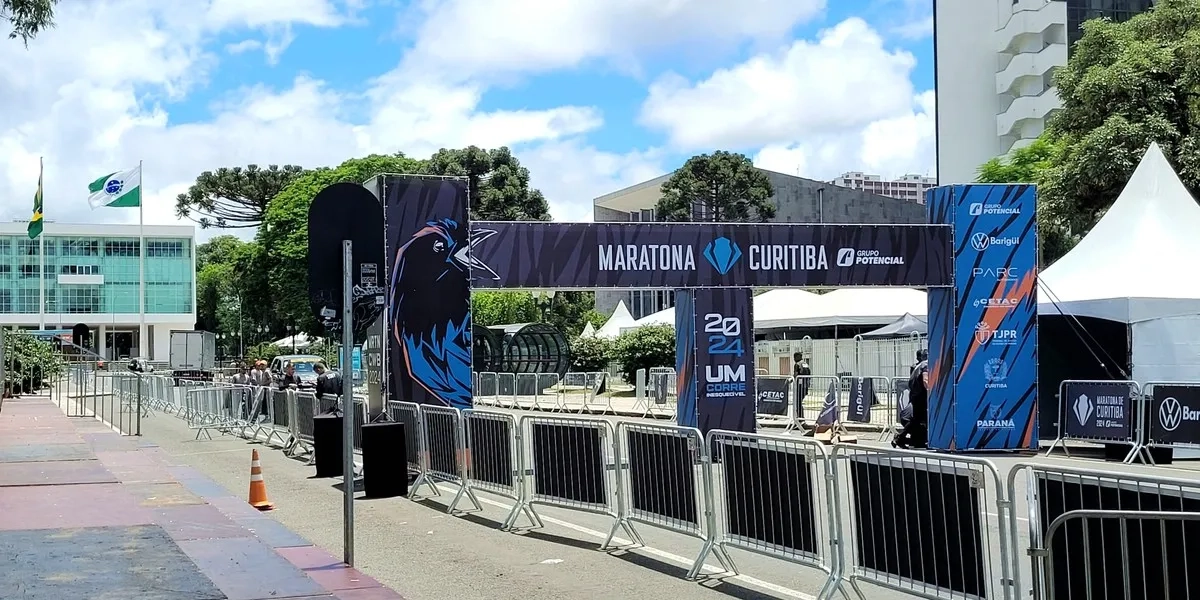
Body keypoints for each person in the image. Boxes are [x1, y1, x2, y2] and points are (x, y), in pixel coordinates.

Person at [894, 349, 929, 449]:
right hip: (921, 397)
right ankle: (900, 438)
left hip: (916, 396)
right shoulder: (925, 365)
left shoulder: (917, 366)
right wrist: (931, 392)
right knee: (917, 420)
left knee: (917, 420)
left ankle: (902, 438)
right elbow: (925, 380)